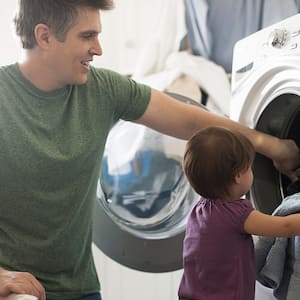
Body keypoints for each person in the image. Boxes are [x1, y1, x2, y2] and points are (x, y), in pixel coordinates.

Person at [0, 1, 299, 300]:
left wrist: (272, 146)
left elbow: (191, 120)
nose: (98, 49)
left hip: (80, 290)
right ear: (45, 36)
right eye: (87, 36)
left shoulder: (101, 88)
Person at [178, 126, 300, 300]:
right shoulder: (236, 214)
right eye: (249, 168)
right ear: (237, 176)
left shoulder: (199, 209)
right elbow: (285, 226)